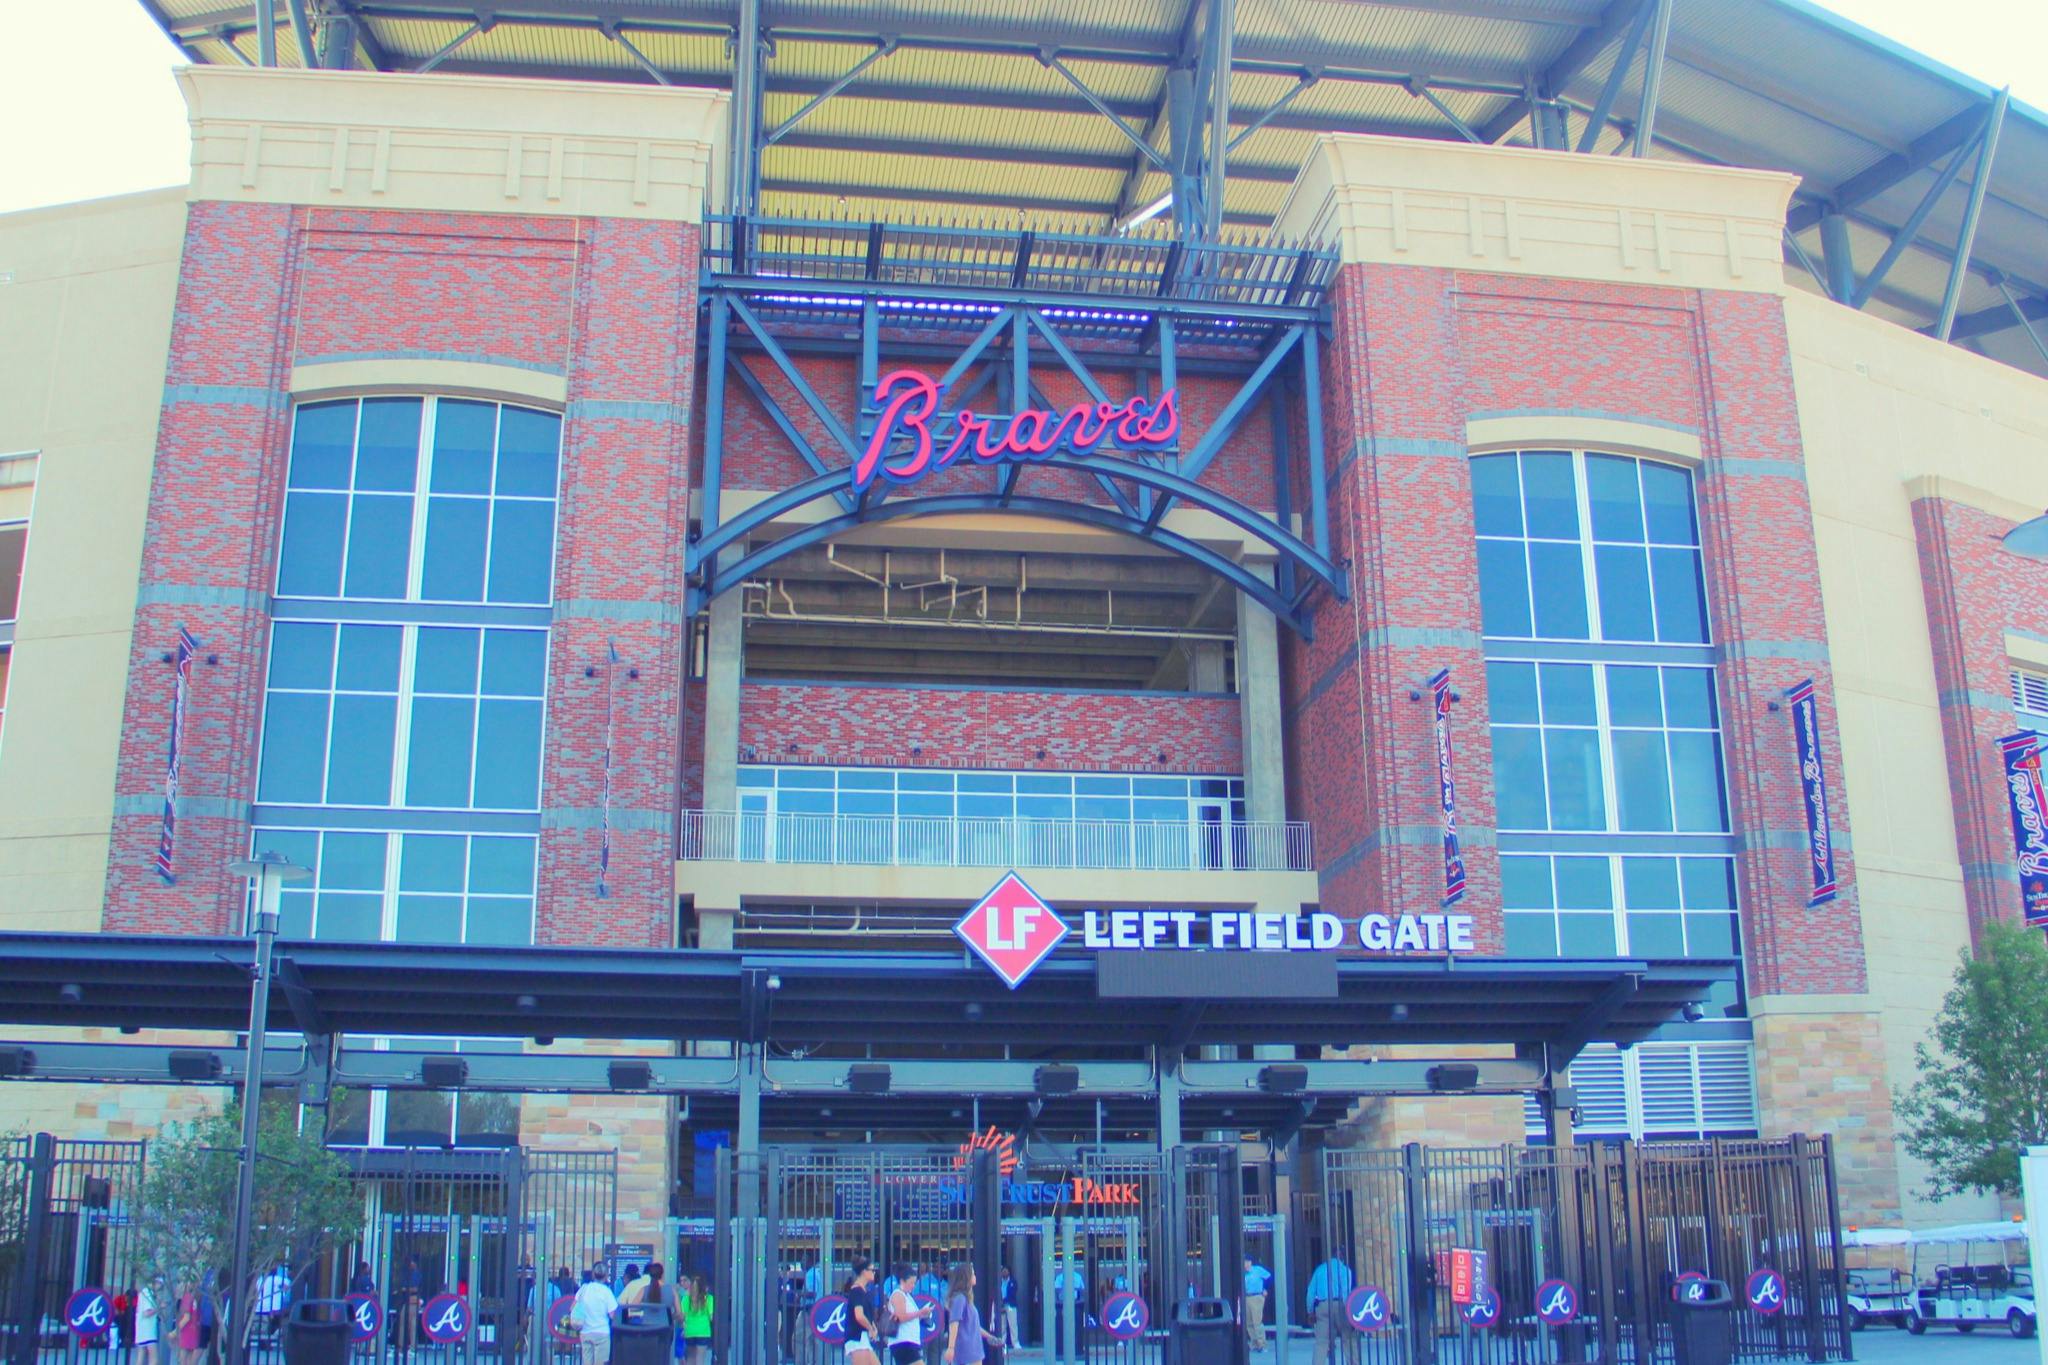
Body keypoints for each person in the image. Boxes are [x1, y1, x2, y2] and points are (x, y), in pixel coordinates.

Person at [940, 1265, 999, 1365]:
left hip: (973, 1347)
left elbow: (973, 1326)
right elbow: (954, 1323)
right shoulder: (960, 1298)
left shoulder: (965, 1299)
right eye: (973, 1274)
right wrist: (951, 1348)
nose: (975, 1276)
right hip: (966, 1348)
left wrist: (989, 1336)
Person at [1305, 1257, 1355, 1365]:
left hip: (1323, 1305)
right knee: (1348, 1339)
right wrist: (1349, 1311)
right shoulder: (1345, 1270)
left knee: (1321, 1342)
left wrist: (1310, 1311)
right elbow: (1346, 1292)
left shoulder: (1320, 1269)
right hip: (1340, 1305)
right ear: (1342, 1257)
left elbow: (1310, 1291)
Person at [885, 1263, 934, 1365]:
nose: (913, 1286)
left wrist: (922, 1315)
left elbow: (910, 1316)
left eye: (914, 1283)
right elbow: (901, 1317)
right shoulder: (898, 1294)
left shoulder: (907, 1296)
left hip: (909, 1341)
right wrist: (920, 1312)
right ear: (902, 1281)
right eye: (911, 1283)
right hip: (903, 1342)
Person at [570, 1268, 619, 1365]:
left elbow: (572, 1308)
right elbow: (612, 1315)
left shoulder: (584, 1289)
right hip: (602, 1333)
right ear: (606, 1276)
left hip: (585, 1332)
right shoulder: (607, 1291)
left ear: (593, 1275)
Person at [844, 1258, 881, 1365]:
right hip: (857, 1337)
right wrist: (870, 1328)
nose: (874, 1273)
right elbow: (859, 1316)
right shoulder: (857, 1291)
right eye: (872, 1270)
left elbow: (867, 1314)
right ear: (864, 1271)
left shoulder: (864, 1291)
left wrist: (873, 1326)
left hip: (863, 1338)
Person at [679, 1272, 714, 1365]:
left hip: (689, 1331)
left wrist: (684, 1328)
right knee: (700, 1359)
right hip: (703, 1331)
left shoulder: (686, 1299)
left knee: (690, 1358)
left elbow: (682, 1316)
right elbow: (711, 1317)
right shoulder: (709, 1298)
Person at [1243, 1257, 1273, 1353]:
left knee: (1257, 1321)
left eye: (1247, 1262)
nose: (1245, 1264)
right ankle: (1255, 1343)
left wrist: (1265, 1289)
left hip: (1256, 1296)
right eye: (1244, 1262)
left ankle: (1262, 1344)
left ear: (1250, 1262)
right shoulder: (1243, 1273)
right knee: (1249, 1322)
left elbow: (1269, 1278)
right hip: (1246, 1297)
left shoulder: (1257, 1270)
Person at [397, 1257, 423, 1356]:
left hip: (412, 1301)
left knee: (411, 1324)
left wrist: (405, 1289)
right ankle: (403, 1347)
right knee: (405, 1323)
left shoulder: (416, 1274)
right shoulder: (409, 1274)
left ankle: (411, 1348)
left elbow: (415, 1288)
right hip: (408, 1301)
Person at [135, 1280, 160, 1365]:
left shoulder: (143, 1293)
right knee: (154, 1358)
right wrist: (159, 1308)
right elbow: (146, 1313)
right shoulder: (148, 1293)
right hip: (148, 1330)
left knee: (141, 1355)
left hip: (141, 1328)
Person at [175, 1286, 201, 1365]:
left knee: (182, 1359)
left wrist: (175, 1332)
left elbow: (186, 1317)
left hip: (186, 1332)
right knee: (189, 1359)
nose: (177, 1289)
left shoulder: (186, 1298)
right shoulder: (192, 1298)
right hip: (193, 1331)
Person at [995, 1269, 1018, 1351]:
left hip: (1010, 1305)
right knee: (1002, 1325)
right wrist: (1000, 1302)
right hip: (1001, 1306)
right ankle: (1002, 1344)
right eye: (1003, 1271)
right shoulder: (999, 1282)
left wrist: (1004, 1301)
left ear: (1009, 1272)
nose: (1004, 1272)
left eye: (1006, 1271)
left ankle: (1015, 1343)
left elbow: (1013, 1293)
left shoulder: (1013, 1282)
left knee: (1013, 1324)